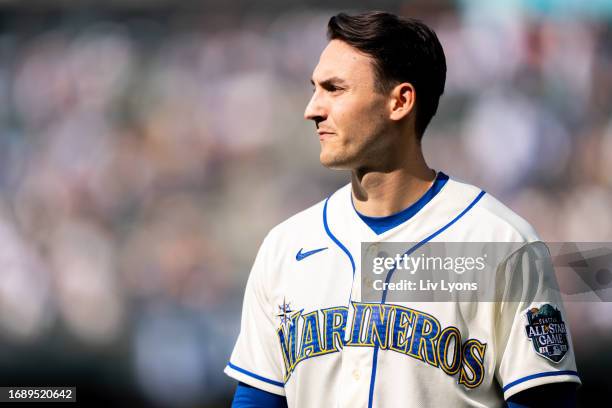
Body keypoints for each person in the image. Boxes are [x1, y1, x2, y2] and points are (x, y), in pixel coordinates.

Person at [225, 11, 580, 407]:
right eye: (315, 89)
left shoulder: (502, 243)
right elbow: (256, 399)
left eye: (334, 89)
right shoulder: (285, 247)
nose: (313, 109)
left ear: (401, 101)